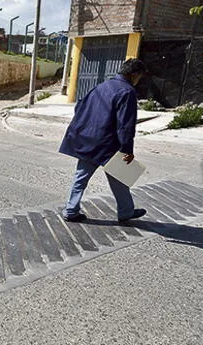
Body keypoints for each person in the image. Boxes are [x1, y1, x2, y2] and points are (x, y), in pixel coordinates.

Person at [59, 58, 148, 223]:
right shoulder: (127, 92)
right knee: (118, 175)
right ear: (134, 74)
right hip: (107, 143)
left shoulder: (101, 86)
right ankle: (125, 211)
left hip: (88, 139)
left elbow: (79, 106)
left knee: (82, 177)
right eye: (139, 77)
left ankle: (72, 210)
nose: (138, 80)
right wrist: (127, 149)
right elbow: (125, 125)